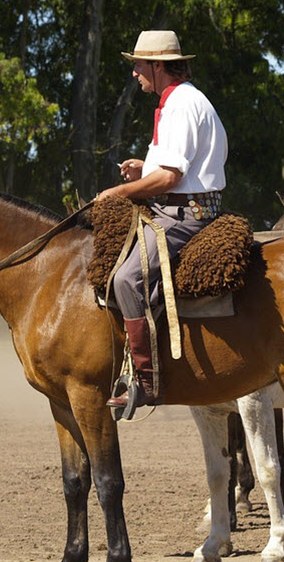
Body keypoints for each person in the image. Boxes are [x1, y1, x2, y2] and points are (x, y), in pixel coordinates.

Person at [97, 30, 228, 411]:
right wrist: (145, 167)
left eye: (138, 65)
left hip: (185, 217)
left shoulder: (181, 105)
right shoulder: (180, 101)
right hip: (179, 207)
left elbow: (170, 179)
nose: (135, 72)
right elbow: (172, 167)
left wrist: (115, 194)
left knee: (126, 278)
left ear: (158, 66)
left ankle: (146, 379)